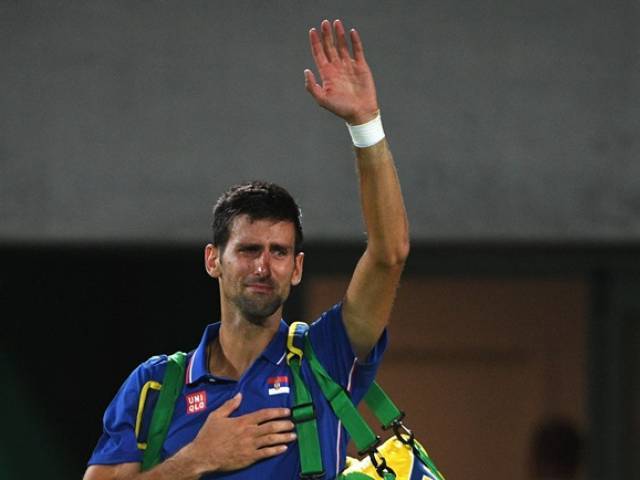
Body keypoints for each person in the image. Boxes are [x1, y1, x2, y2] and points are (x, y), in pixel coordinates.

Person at [84, 18, 409, 480]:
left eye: (279, 252)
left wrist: (365, 125)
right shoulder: (155, 386)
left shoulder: (327, 356)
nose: (264, 265)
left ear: (297, 268)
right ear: (213, 259)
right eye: (249, 249)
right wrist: (197, 459)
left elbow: (389, 253)